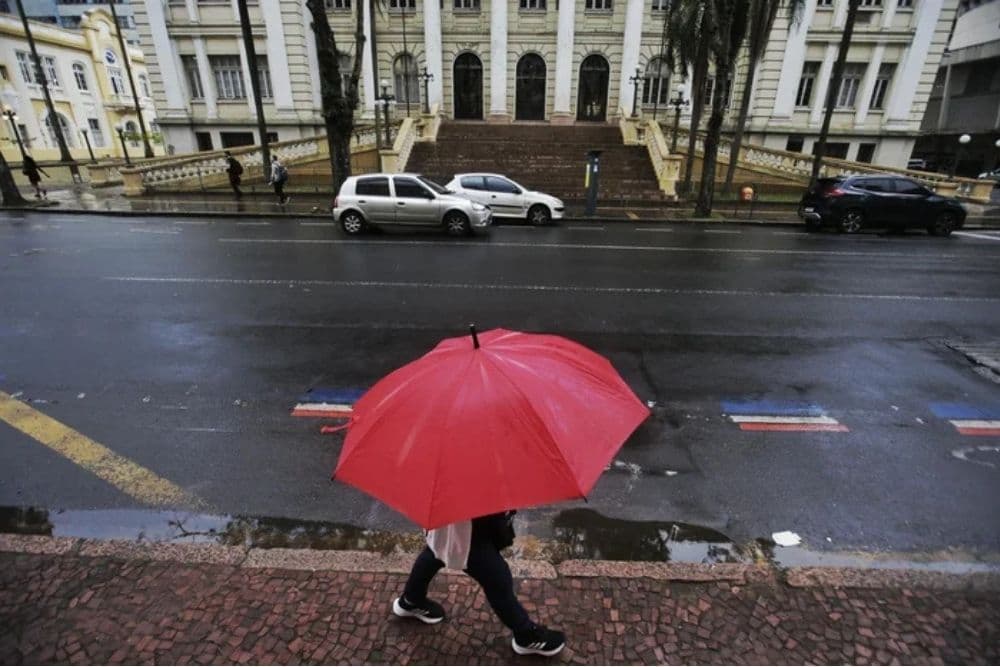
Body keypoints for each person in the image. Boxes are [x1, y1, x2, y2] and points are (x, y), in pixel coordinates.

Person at [392, 510, 566, 657]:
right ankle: (526, 635)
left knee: (434, 553)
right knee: (498, 578)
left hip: (443, 524)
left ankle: (411, 600)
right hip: (466, 534)